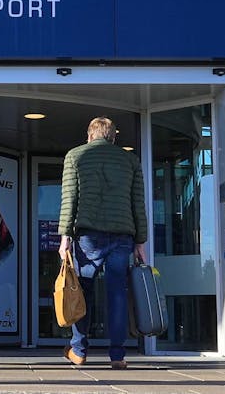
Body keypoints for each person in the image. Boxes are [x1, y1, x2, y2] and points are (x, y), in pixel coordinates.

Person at [58, 117, 148, 370]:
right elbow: (137, 203)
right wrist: (140, 241)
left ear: (89, 135)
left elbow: (69, 199)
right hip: (122, 235)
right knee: (117, 294)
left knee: (80, 291)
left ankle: (79, 350)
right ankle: (118, 355)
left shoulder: (75, 156)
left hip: (88, 236)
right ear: (113, 137)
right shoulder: (130, 160)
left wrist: (65, 236)